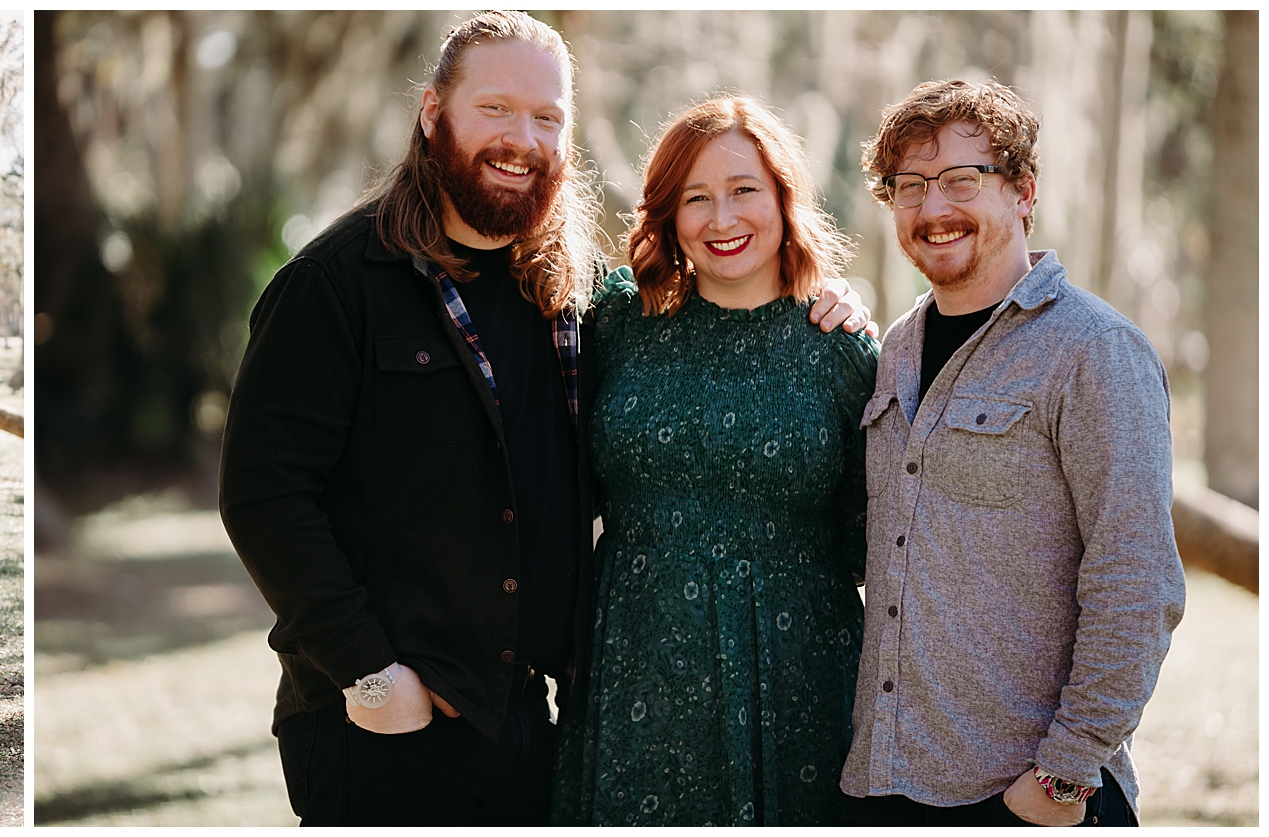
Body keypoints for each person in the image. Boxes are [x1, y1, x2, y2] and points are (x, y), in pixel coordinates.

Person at [218, 12, 869, 825]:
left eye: (547, 117)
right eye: (495, 108)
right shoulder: (339, 281)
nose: (520, 137)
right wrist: (371, 674)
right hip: (383, 727)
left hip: (533, 721)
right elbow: (262, 493)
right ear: (433, 114)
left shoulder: (568, 290)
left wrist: (829, 300)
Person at [838, 80, 1184, 827]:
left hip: (1028, 797)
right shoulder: (896, 347)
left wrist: (1062, 775)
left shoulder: (1095, 350)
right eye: (909, 187)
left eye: (963, 179)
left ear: (1023, 190)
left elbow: (1138, 578)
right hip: (890, 784)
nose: (934, 209)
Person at [550, 96, 876, 826]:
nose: (722, 220)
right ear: (667, 214)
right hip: (635, 665)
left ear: (785, 198)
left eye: (743, 191)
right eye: (696, 198)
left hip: (800, 679)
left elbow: (877, 541)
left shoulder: (844, 349)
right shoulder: (617, 323)